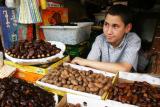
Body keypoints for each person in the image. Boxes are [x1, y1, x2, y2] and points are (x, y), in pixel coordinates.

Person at [71, 4, 141, 73]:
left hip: (125, 82)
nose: (109, 31)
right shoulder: (100, 39)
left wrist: (85, 62)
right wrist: (87, 63)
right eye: (106, 24)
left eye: (115, 26)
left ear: (127, 28)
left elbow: (124, 68)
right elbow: (89, 65)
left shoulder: (133, 39)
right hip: (104, 81)